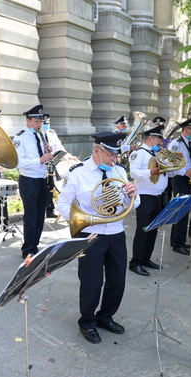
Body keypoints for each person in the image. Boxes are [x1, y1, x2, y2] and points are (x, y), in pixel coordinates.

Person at [57, 132, 139, 344]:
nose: (115, 160)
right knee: (92, 283)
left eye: (116, 155)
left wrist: (133, 195)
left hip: (116, 233)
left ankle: (105, 317)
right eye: (111, 155)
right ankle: (87, 322)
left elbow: (134, 205)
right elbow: (63, 205)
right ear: (97, 151)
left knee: (117, 280)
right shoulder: (77, 173)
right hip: (90, 235)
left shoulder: (119, 171)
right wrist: (85, 219)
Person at [13, 104, 54, 258]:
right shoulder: (20, 137)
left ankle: (35, 245)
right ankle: (27, 249)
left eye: (40, 122)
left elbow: (42, 156)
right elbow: (18, 162)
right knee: (31, 216)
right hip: (29, 180)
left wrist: (47, 152)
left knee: (40, 215)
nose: (39, 125)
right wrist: (40, 160)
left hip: (42, 179)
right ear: (28, 121)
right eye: (36, 122)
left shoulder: (41, 135)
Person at [128, 125, 166, 276]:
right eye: (159, 140)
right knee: (143, 230)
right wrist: (151, 171)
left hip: (158, 197)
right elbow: (134, 173)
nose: (160, 143)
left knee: (153, 230)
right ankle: (135, 262)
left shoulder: (158, 153)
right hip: (145, 196)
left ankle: (146, 259)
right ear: (151, 138)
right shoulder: (138, 153)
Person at [167, 117, 191, 255]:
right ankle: (178, 243)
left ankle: (176, 240)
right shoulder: (176, 143)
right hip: (179, 179)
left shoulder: (189, 144)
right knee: (181, 211)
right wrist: (184, 172)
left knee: (183, 210)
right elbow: (170, 165)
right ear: (186, 129)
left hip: (188, 180)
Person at [41, 113, 70, 219]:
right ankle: (41, 209)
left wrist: (68, 156)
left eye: (48, 123)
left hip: (52, 164)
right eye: (44, 123)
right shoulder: (38, 134)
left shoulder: (52, 133)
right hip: (41, 165)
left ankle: (49, 209)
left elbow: (59, 147)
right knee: (42, 188)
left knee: (50, 187)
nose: (46, 125)